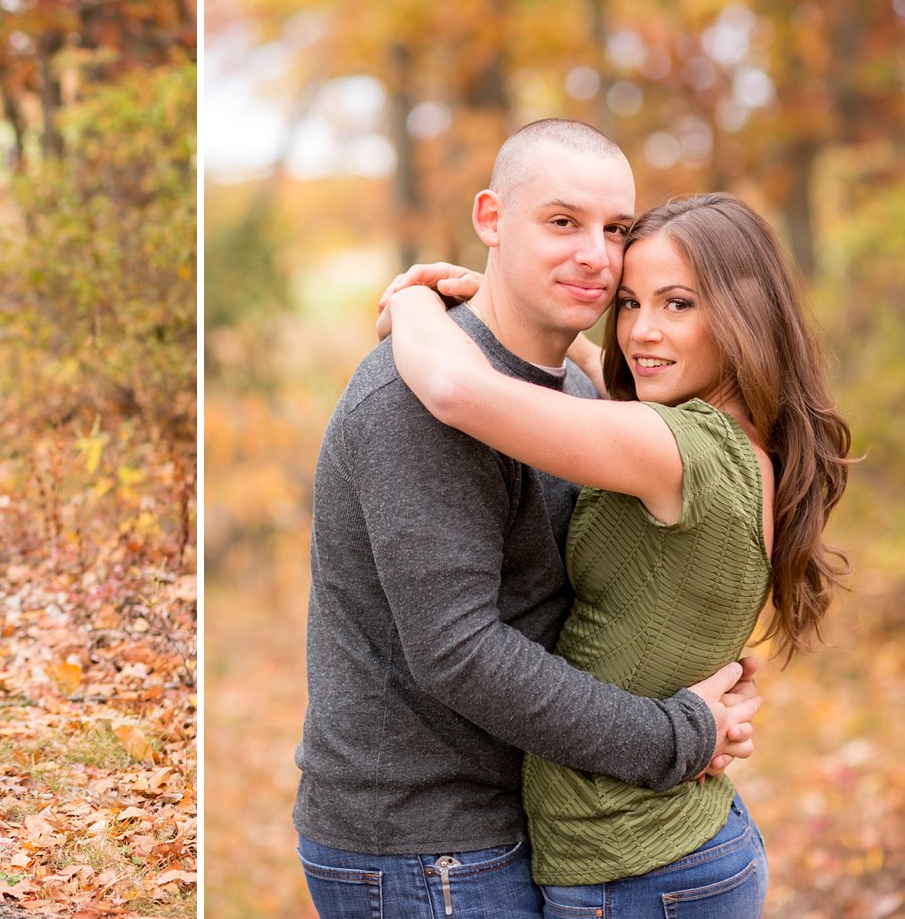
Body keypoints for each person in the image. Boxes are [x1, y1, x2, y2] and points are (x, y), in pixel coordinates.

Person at [293, 119, 761, 918]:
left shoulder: (576, 398)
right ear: (491, 219)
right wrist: (671, 738)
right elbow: (459, 650)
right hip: (427, 840)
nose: (596, 255)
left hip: (526, 819)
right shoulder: (411, 406)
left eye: (615, 229)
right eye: (561, 221)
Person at [381, 191, 850, 915]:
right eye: (629, 304)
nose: (642, 333)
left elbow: (453, 389)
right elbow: (616, 369)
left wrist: (412, 302)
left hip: (638, 873)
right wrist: (510, 304)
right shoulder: (736, 437)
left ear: (743, 313)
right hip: (667, 854)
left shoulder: (674, 449)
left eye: (679, 304)